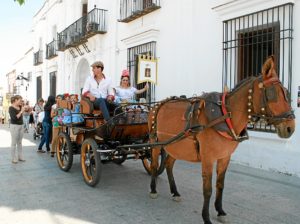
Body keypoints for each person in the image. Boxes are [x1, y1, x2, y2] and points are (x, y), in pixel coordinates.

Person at [9, 95, 26, 163]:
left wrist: (25, 109)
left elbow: (26, 113)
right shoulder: (11, 108)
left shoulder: (20, 107)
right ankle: (13, 158)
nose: (20, 102)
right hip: (14, 126)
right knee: (14, 142)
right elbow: (15, 118)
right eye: (20, 100)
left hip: (21, 125)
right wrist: (21, 111)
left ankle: (20, 156)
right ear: (15, 100)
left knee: (20, 142)